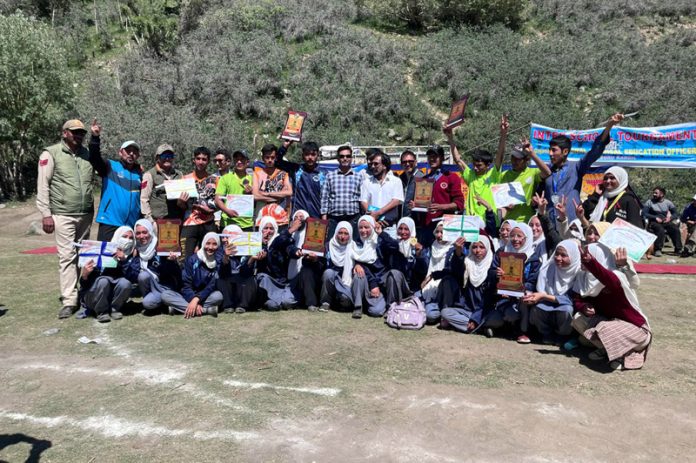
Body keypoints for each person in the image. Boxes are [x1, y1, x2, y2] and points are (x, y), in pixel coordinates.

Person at [36, 119, 96, 319]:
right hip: (62, 214)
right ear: (64, 133)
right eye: (75, 132)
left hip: (86, 214)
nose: (79, 135)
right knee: (67, 257)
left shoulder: (87, 154)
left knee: (83, 256)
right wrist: (46, 214)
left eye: (81, 133)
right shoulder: (50, 153)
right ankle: (70, 300)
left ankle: (83, 292)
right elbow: (43, 185)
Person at [574, 244, 651, 370]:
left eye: (588, 258)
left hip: (637, 330)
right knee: (578, 319)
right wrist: (584, 306)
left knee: (605, 328)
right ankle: (608, 350)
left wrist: (590, 262)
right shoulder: (583, 277)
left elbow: (608, 279)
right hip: (612, 324)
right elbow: (577, 299)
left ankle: (625, 354)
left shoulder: (616, 277)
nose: (582, 262)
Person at [542, 113, 624, 224]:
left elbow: (595, 151)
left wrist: (609, 125)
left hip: (571, 223)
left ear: (565, 152)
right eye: (549, 150)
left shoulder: (576, 167)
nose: (550, 154)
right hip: (550, 224)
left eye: (554, 150)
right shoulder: (546, 171)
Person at [486, 222, 541, 343]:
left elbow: (533, 281)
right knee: (494, 320)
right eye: (513, 235)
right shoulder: (502, 252)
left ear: (527, 238)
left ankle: (523, 331)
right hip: (502, 297)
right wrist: (496, 274)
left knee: (515, 311)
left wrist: (515, 290)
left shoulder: (533, 258)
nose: (515, 239)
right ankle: (500, 328)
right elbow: (490, 272)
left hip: (521, 298)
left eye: (519, 236)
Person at [88, 120, 143, 241]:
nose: (131, 154)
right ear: (120, 152)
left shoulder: (140, 174)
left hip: (131, 225)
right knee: (107, 257)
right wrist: (95, 138)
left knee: (127, 259)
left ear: (138, 155)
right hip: (110, 221)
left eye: (134, 152)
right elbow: (94, 157)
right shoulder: (110, 166)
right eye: (128, 150)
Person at [525, 239, 581, 345]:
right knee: (537, 308)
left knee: (567, 310)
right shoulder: (548, 268)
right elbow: (539, 289)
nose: (558, 258)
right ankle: (546, 334)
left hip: (564, 303)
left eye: (564, 255)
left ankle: (562, 335)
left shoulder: (577, 272)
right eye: (557, 254)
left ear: (573, 256)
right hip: (546, 301)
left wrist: (543, 296)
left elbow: (569, 299)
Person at [494, 119, 551, 223]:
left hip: (527, 220)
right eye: (513, 157)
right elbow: (499, 203)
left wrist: (532, 154)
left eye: (518, 159)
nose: (514, 161)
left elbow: (547, 172)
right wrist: (504, 208)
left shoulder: (532, 173)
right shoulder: (503, 175)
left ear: (526, 159)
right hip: (509, 221)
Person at [441, 234, 498, 333]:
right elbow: (457, 269)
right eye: (474, 247)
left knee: (498, 318)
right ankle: (481, 328)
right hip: (468, 310)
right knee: (445, 312)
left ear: (488, 249)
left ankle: (471, 325)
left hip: (485, 310)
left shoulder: (492, 268)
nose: (478, 250)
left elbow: (488, 298)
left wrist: (476, 318)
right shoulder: (468, 263)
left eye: (482, 247)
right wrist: (458, 252)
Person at [78, 226, 135, 322]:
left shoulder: (132, 255)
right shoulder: (100, 251)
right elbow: (84, 285)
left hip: (112, 295)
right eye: (124, 236)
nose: (127, 240)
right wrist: (85, 275)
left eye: (131, 238)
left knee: (124, 283)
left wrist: (124, 261)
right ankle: (101, 312)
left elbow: (132, 279)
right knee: (103, 280)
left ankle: (114, 309)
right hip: (94, 295)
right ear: (117, 236)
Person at [161, 232, 223, 318]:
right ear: (203, 243)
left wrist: (197, 299)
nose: (210, 247)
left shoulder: (219, 262)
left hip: (205, 296)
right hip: (188, 295)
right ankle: (206, 310)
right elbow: (185, 285)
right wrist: (193, 299)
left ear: (218, 246)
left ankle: (178, 309)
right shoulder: (192, 259)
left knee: (218, 296)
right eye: (208, 243)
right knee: (166, 295)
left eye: (214, 244)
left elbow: (211, 286)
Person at [413, 144, 464, 247]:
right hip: (427, 226)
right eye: (430, 156)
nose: (432, 159)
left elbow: (459, 203)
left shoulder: (451, 177)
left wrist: (441, 207)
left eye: (435, 156)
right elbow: (422, 203)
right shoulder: (424, 179)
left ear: (442, 158)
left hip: (444, 226)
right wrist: (415, 205)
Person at [127, 219, 182, 313]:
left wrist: (170, 262)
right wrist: (125, 261)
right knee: (143, 277)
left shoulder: (161, 246)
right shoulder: (136, 249)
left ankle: (166, 301)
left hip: (165, 286)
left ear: (150, 231)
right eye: (138, 233)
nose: (141, 236)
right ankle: (161, 303)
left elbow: (175, 274)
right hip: (151, 286)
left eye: (145, 232)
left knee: (147, 301)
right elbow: (134, 277)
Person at [447, 122, 498, 221]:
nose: (475, 168)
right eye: (474, 165)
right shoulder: (471, 175)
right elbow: (457, 159)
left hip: (489, 221)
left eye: (479, 166)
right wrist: (450, 137)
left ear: (488, 165)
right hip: (471, 221)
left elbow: (500, 153)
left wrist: (504, 133)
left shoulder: (493, 175)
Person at [375, 217, 428, 305]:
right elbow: (392, 244)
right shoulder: (394, 244)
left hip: (414, 287)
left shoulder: (418, 246)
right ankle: (391, 306)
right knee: (394, 273)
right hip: (396, 285)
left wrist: (420, 254)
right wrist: (381, 233)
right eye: (400, 228)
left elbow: (424, 269)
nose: (403, 232)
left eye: (406, 229)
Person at [254, 216, 302, 311]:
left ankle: (278, 300)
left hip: (282, 283)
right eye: (266, 228)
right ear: (261, 229)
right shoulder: (256, 242)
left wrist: (296, 252)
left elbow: (289, 248)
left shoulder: (281, 240)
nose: (269, 231)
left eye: (271, 228)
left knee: (288, 302)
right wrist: (263, 244)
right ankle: (270, 300)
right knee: (262, 277)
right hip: (267, 283)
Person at [344, 215, 387, 319]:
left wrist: (381, 234)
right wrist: (357, 264)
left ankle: (370, 303)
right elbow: (352, 262)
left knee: (376, 312)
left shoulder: (379, 243)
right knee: (359, 274)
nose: (363, 230)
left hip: (378, 284)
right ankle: (358, 306)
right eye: (360, 227)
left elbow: (393, 247)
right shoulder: (355, 244)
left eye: (367, 227)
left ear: (372, 227)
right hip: (363, 284)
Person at [181, 147, 219, 258]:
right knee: (184, 257)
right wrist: (180, 201)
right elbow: (181, 206)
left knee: (211, 256)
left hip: (208, 222)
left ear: (208, 161)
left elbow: (219, 203)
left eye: (204, 159)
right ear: (194, 160)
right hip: (190, 222)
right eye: (198, 158)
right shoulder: (185, 179)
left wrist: (211, 210)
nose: (201, 162)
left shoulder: (215, 180)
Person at [277, 140, 327, 219]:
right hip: (298, 217)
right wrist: (285, 146)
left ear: (317, 155)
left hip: (316, 219)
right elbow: (277, 161)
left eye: (313, 154)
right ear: (302, 156)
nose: (310, 157)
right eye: (307, 154)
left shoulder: (324, 173)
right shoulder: (295, 169)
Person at [321, 145, 362, 240]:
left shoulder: (359, 177)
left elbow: (362, 197)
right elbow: (324, 198)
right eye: (342, 156)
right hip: (334, 219)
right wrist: (324, 218)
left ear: (351, 158)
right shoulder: (330, 176)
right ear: (338, 159)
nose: (345, 158)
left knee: (354, 244)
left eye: (348, 156)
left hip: (353, 218)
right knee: (331, 243)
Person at [319, 222, 361, 312]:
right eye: (340, 233)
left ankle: (337, 302)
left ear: (350, 234)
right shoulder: (328, 245)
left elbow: (359, 260)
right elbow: (320, 264)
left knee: (346, 301)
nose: (342, 236)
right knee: (328, 272)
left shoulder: (354, 247)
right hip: (331, 280)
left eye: (346, 234)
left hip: (346, 281)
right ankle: (325, 302)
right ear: (336, 233)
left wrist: (358, 264)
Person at [419, 223, 456, 323]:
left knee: (431, 315)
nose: (439, 235)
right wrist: (419, 255)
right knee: (414, 299)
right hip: (427, 287)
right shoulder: (431, 247)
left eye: (442, 233)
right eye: (437, 232)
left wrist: (431, 276)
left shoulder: (454, 250)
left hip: (444, 290)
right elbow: (422, 268)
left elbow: (451, 271)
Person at [140, 144, 187, 222]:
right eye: (164, 156)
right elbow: (144, 199)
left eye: (170, 155)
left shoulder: (179, 175)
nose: (167, 158)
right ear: (157, 158)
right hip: (157, 220)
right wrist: (150, 220)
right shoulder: (149, 175)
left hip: (176, 220)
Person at [216, 224, 257, 313]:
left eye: (228, 237)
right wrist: (226, 256)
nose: (225, 240)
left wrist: (252, 259)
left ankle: (242, 305)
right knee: (221, 279)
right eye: (223, 237)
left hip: (242, 285)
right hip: (228, 285)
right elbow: (221, 272)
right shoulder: (219, 250)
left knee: (250, 278)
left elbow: (247, 272)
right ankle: (228, 305)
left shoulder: (247, 250)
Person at [360, 150, 404, 230]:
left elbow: (396, 201)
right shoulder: (366, 182)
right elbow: (363, 201)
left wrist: (379, 213)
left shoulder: (396, 181)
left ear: (384, 166)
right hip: (371, 225)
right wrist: (372, 217)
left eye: (376, 164)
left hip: (389, 226)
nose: (373, 166)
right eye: (371, 164)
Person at [253, 144, 293, 225]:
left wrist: (266, 193)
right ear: (263, 158)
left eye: (272, 157)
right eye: (267, 157)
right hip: (261, 218)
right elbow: (255, 196)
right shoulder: (257, 173)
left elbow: (289, 192)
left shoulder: (283, 174)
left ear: (276, 158)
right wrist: (278, 197)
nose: (270, 160)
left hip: (280, 218)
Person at [215, 150, 254, 231]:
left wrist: (252, 193)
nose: (239, 162)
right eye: (236, 159)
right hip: (228, 223)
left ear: (247, 162)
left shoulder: (253, 179)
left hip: (246, 224)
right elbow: (217, 199)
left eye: (242, 159)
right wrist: (227, 211)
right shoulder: (225, 178)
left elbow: (258, 199)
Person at [643, 187, 682, 257]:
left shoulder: (668, 203)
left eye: (656, 193)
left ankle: (678, 249)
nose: (654, 194)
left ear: (662, 194)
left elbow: (675, 213)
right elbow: (644, 213)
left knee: (675, 229)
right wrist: (655, 218)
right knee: (660, 229)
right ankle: (657, 250)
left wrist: (670, 218)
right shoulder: (649, 202)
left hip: (665, 221)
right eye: (653, 193)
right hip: (653, 222)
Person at [399, 149, 424, 218]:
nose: (407, 164)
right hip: (401, 220)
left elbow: (426, 202)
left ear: (415, 162)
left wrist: (418, 204)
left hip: (416, 221)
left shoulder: (422, 178)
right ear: (401, 164)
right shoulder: (399, 179)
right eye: (404, 162)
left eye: (410, 161)